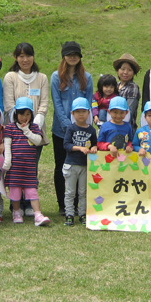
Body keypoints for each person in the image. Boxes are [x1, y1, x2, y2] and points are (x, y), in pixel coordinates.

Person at [3, 42, 49, 216]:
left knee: (31, 168)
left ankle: (29, 204)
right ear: (16, 58)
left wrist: (33, 125)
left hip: (35, 130)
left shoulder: (42, 78)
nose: (25, 60)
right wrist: (20, 124)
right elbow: (9, 105)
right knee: (16, 168)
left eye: (28, 55)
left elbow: (44, 104)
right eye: (21, 56)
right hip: (15, 131)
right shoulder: (10, 77)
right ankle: (16, 206)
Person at [50, 41, 93, 215]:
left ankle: (77, 204)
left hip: (82, 130)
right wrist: (68, 126)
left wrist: (80, 126)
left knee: (79, 166)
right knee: (61, 165)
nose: (72, 57)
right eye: (69, 54)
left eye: (75, 54)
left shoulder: (87, 77)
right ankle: (63, 204)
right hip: (61, 130)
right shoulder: (56, 77)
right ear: (64, 56)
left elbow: (88, 102)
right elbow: (57, 102)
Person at [3, 98, 50, 226]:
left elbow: (37, 141)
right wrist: (7, 162)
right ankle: (17, 212)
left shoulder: (34, 127)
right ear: (16, 114)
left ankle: (38, 214)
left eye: (28, 114)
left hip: (29, 167)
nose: (24, 117)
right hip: (15, 167)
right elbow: (7, 145)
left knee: (32, 191)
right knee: (15, 191)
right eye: (22, 114)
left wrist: (27, 131)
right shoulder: (10, 128)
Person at [63, 98, 97, 227]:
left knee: (83, 192)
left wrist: (94, 148)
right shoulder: (71, 128)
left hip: (85, 165)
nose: (81, 114)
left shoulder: (91, 130)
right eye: (77, 112)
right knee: (70, 192)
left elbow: (95, 144)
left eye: (83, 111)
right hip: (71, 164)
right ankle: (69, 214)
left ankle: (83, 214)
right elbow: (66, 145)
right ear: (72, 113)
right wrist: (79, 148)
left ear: (88, 112)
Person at [113, 53, 141, 132]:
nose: (125, 72)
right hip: (112, 126)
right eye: (123, 69)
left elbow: (129, 112)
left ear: (133, 73)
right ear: (118, 70)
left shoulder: (133, 88)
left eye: (129, 70)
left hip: (126, 129)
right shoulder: (115, 85)